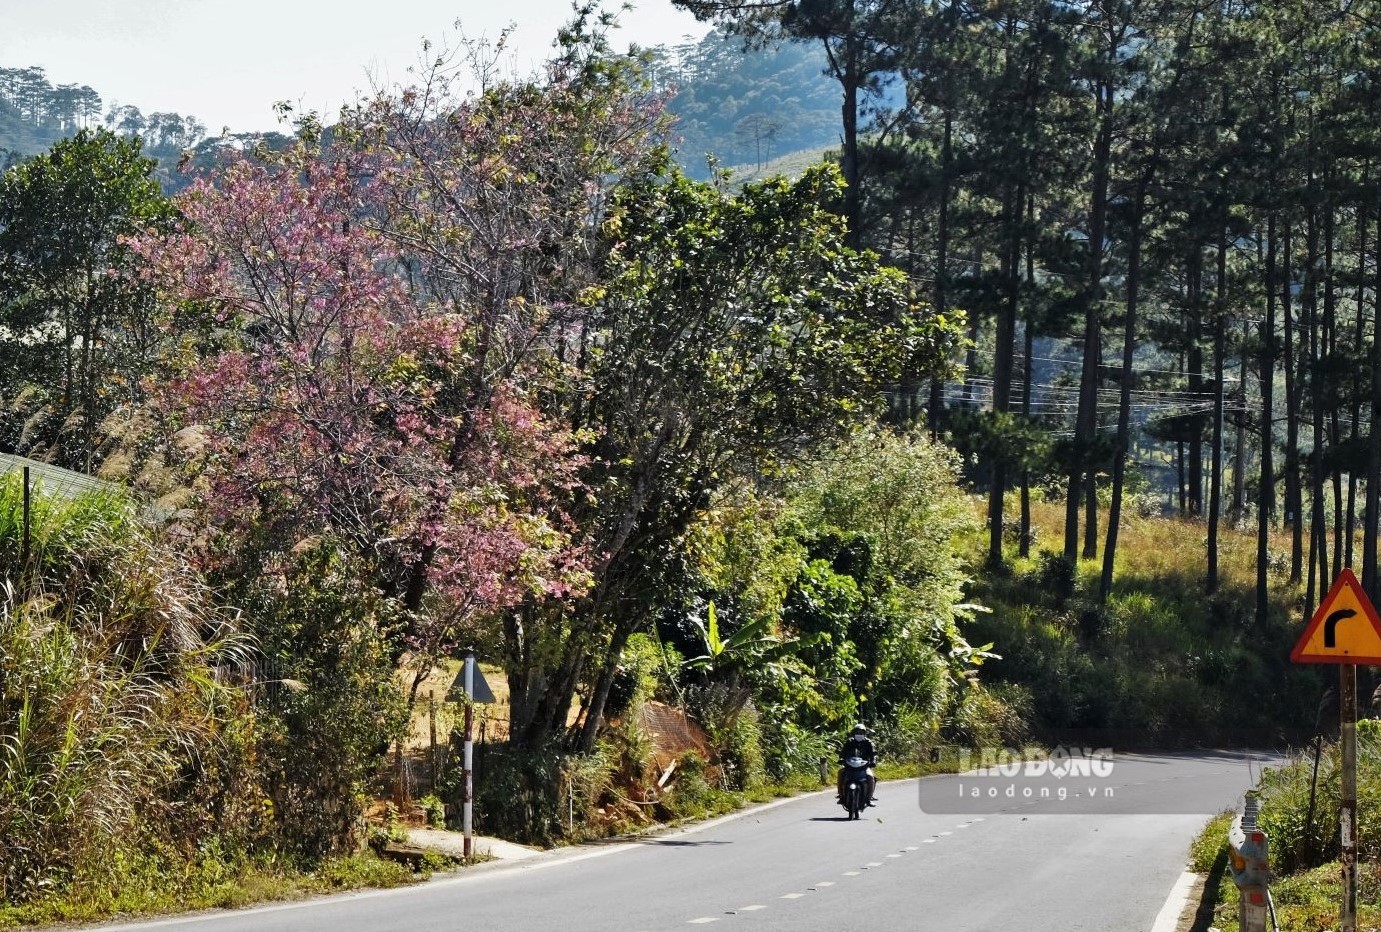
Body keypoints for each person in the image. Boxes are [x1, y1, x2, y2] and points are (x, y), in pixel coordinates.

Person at [837, 723, 877, 806]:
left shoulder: (868, 742)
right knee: (841, 773)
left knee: (871, 777)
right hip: (849, 766)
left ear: (865, 734)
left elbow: (873, 754)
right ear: (854, 733)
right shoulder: (849, 742)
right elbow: (843, 753)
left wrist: (873, 761)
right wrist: (841, 759)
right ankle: (841, 796)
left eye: (861, 733)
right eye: (857, 733)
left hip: (864, 766)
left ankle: (869, 798)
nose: (859, 734)